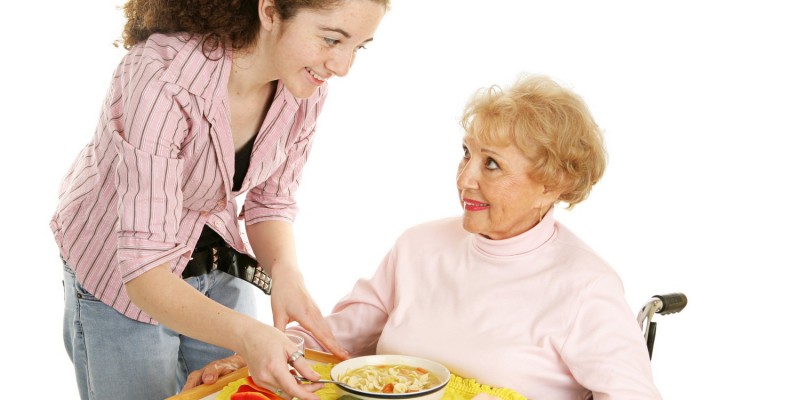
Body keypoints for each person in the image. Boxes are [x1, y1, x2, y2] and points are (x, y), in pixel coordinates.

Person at [188, 75, 662, 399]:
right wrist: (257, 350)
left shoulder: (585, 285)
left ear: (552, 184)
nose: (465, 179)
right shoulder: (420, 245)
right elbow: (340, 335)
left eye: (491, 164)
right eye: (466, 154)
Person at [50, 0, 388, 399]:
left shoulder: (305, 87)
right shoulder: (161, 77)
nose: (342, 66)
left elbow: (271, 201)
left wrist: (285, 274)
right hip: (120, 276)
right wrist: (247, 334)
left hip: (216, 256)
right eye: (331, 39)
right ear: (269, 11)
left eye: (359, 46)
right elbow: (142, 267)